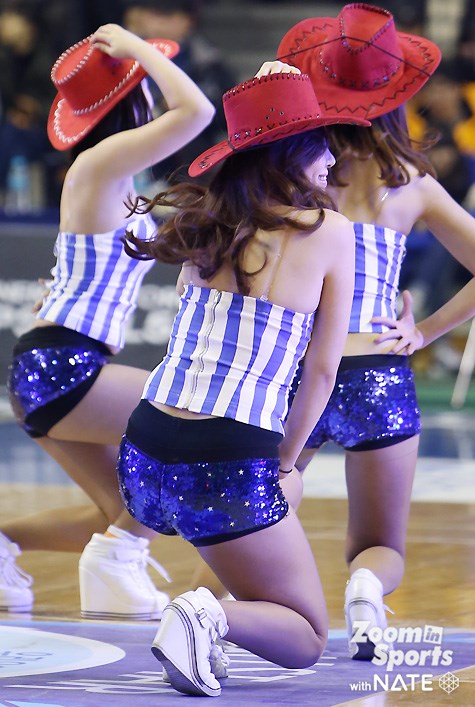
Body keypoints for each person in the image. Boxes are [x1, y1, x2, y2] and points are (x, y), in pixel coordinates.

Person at [115, 61, 368, 696]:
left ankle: (202, 624)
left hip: (144, 450)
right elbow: (322, 369)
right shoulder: (331, 232)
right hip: (226, 453)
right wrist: (285, 461)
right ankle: (207, 614)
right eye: (321, 145)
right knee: (308, 637)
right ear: (290, 152)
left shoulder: (209, 217)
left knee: (254, 522)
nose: (332, 161)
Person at [277, 3, 475, 661]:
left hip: (298, 370)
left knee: (263, 508)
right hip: (379, 370)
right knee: (380, 543)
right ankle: (364, 589)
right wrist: (424, 332)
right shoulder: (413, 183)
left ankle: (226, 608)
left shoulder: (294, 170)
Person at [4, 23, 215, 619]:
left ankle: (5, 543)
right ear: (132, 100)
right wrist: (138, 49)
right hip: (63, 364)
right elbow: (197, 111)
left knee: (120, 510)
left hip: (56, 362)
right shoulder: (98, 163)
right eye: (142, 84)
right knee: (198, 422)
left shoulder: (109, 176)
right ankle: (120, 560)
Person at [121, 0, 236, 188]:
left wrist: (186, 109)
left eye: (168, 16)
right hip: (136, 163)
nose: (159, 23)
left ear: (187, 20)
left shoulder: (207, 62)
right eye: (153, 14)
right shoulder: (123, 60)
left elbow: (228, 114)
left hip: (192, 163)